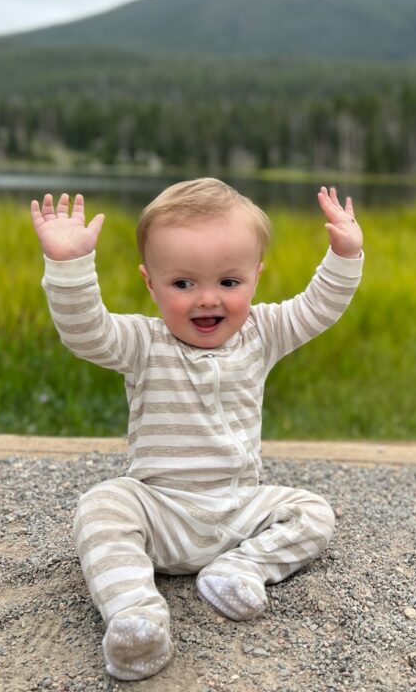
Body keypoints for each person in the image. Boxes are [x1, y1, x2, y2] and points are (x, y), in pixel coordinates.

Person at [29, 179, 363, 680]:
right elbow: (85, 331)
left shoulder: (263, 333)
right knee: (102, 505)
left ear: (255, 277)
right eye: (183, 284)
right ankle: (136, 616)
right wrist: (69, 266)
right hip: (160, 513)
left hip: (236, 511)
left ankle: (241, 569)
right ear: (151, 284)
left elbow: (318, 307)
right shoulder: (144, 342)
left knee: (313, 512)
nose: (207, 300)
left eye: (229, 282)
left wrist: (345, 255)